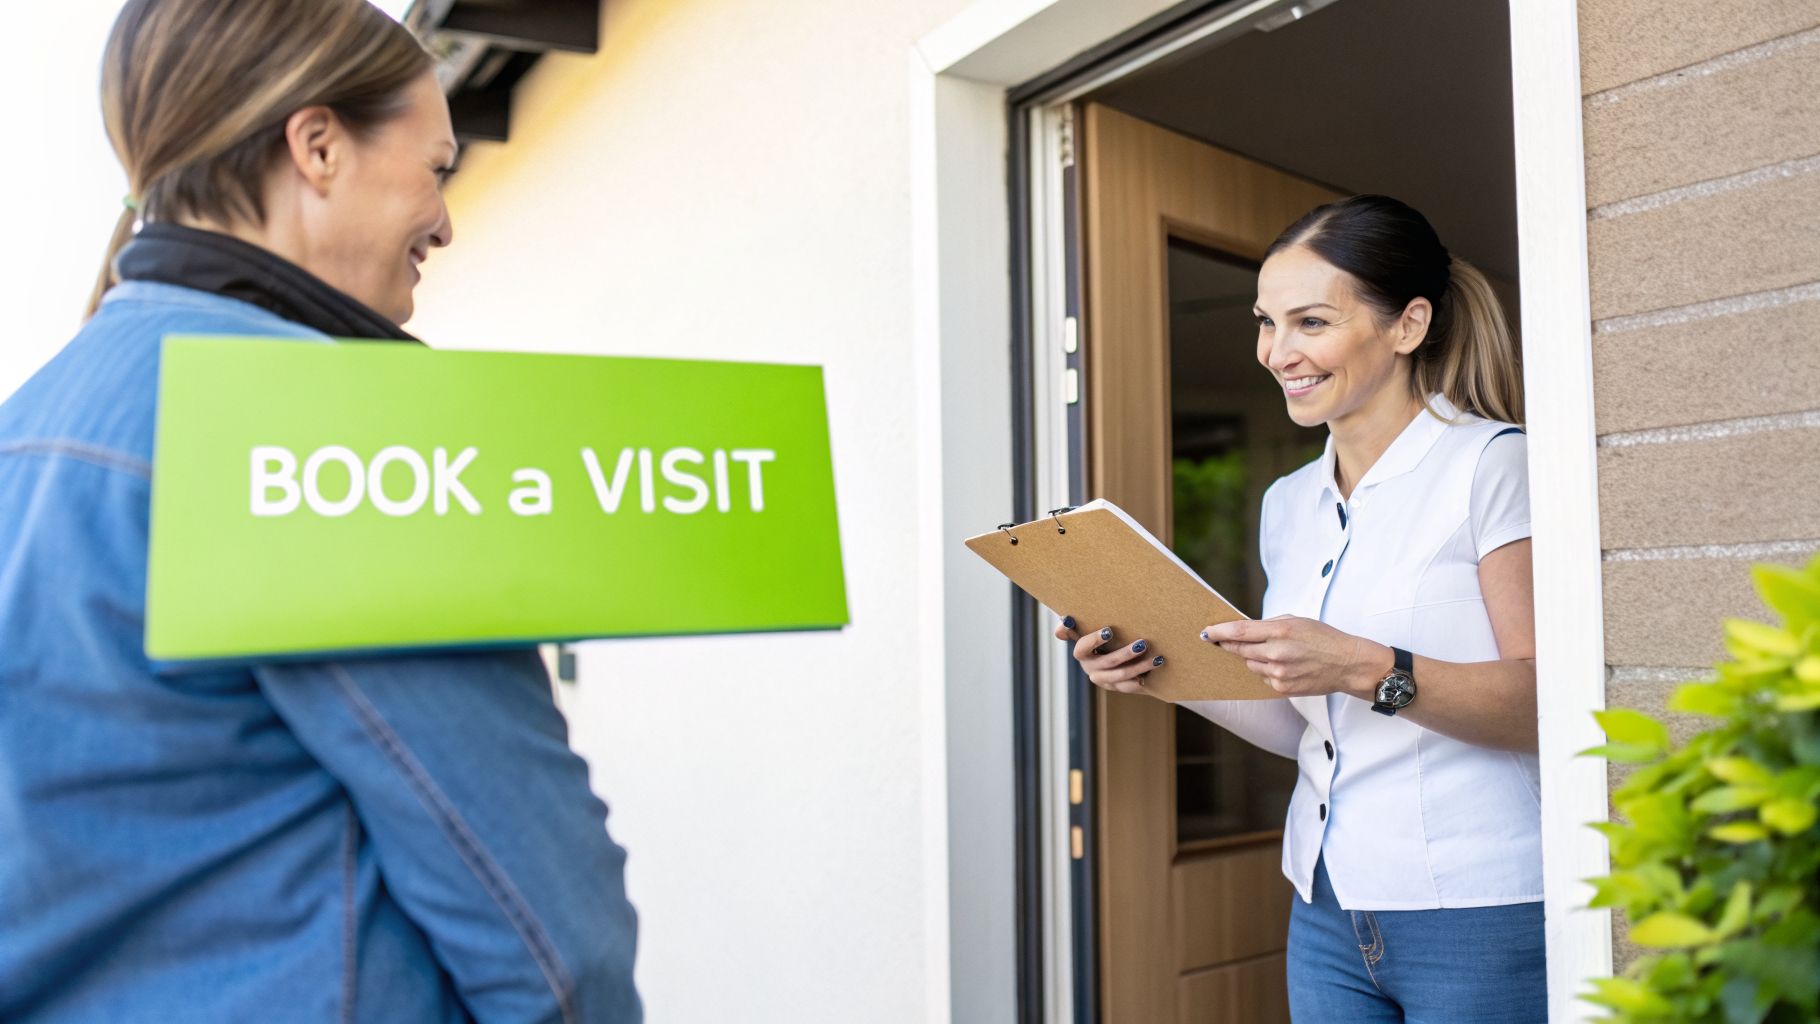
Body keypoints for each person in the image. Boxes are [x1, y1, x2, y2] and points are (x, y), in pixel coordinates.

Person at [0, 2, 640, 1020]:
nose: (444, 220)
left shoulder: (28, 426)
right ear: (318, 145)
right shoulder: (340, 440)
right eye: (437, 168)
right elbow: (552, 941)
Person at [1060, 195, 1543, 1021]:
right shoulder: (1289, 502)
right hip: (1324, 903)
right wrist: (1158, 666)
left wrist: (1361, 664)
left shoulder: (1494, 467)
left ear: (1408, 325)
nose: (1278, 353)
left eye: (1310, 323)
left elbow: (1545, 705)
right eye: (1265, 323)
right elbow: (1302, 727)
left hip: (1479, 908)